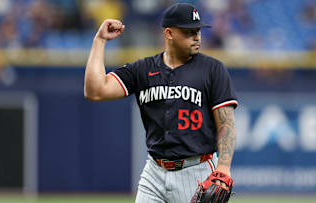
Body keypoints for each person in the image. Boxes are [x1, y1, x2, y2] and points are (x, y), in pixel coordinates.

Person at [84, 3, 238, 203]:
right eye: (189, 31)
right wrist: (99, 40)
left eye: (198, 30)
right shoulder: (143, 69)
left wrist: (223, 168)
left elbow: (226, 124)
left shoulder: (213, 69)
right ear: (169, 33)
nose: (197, 36)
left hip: (196, 170)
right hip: (154, 172)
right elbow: (95, 91)